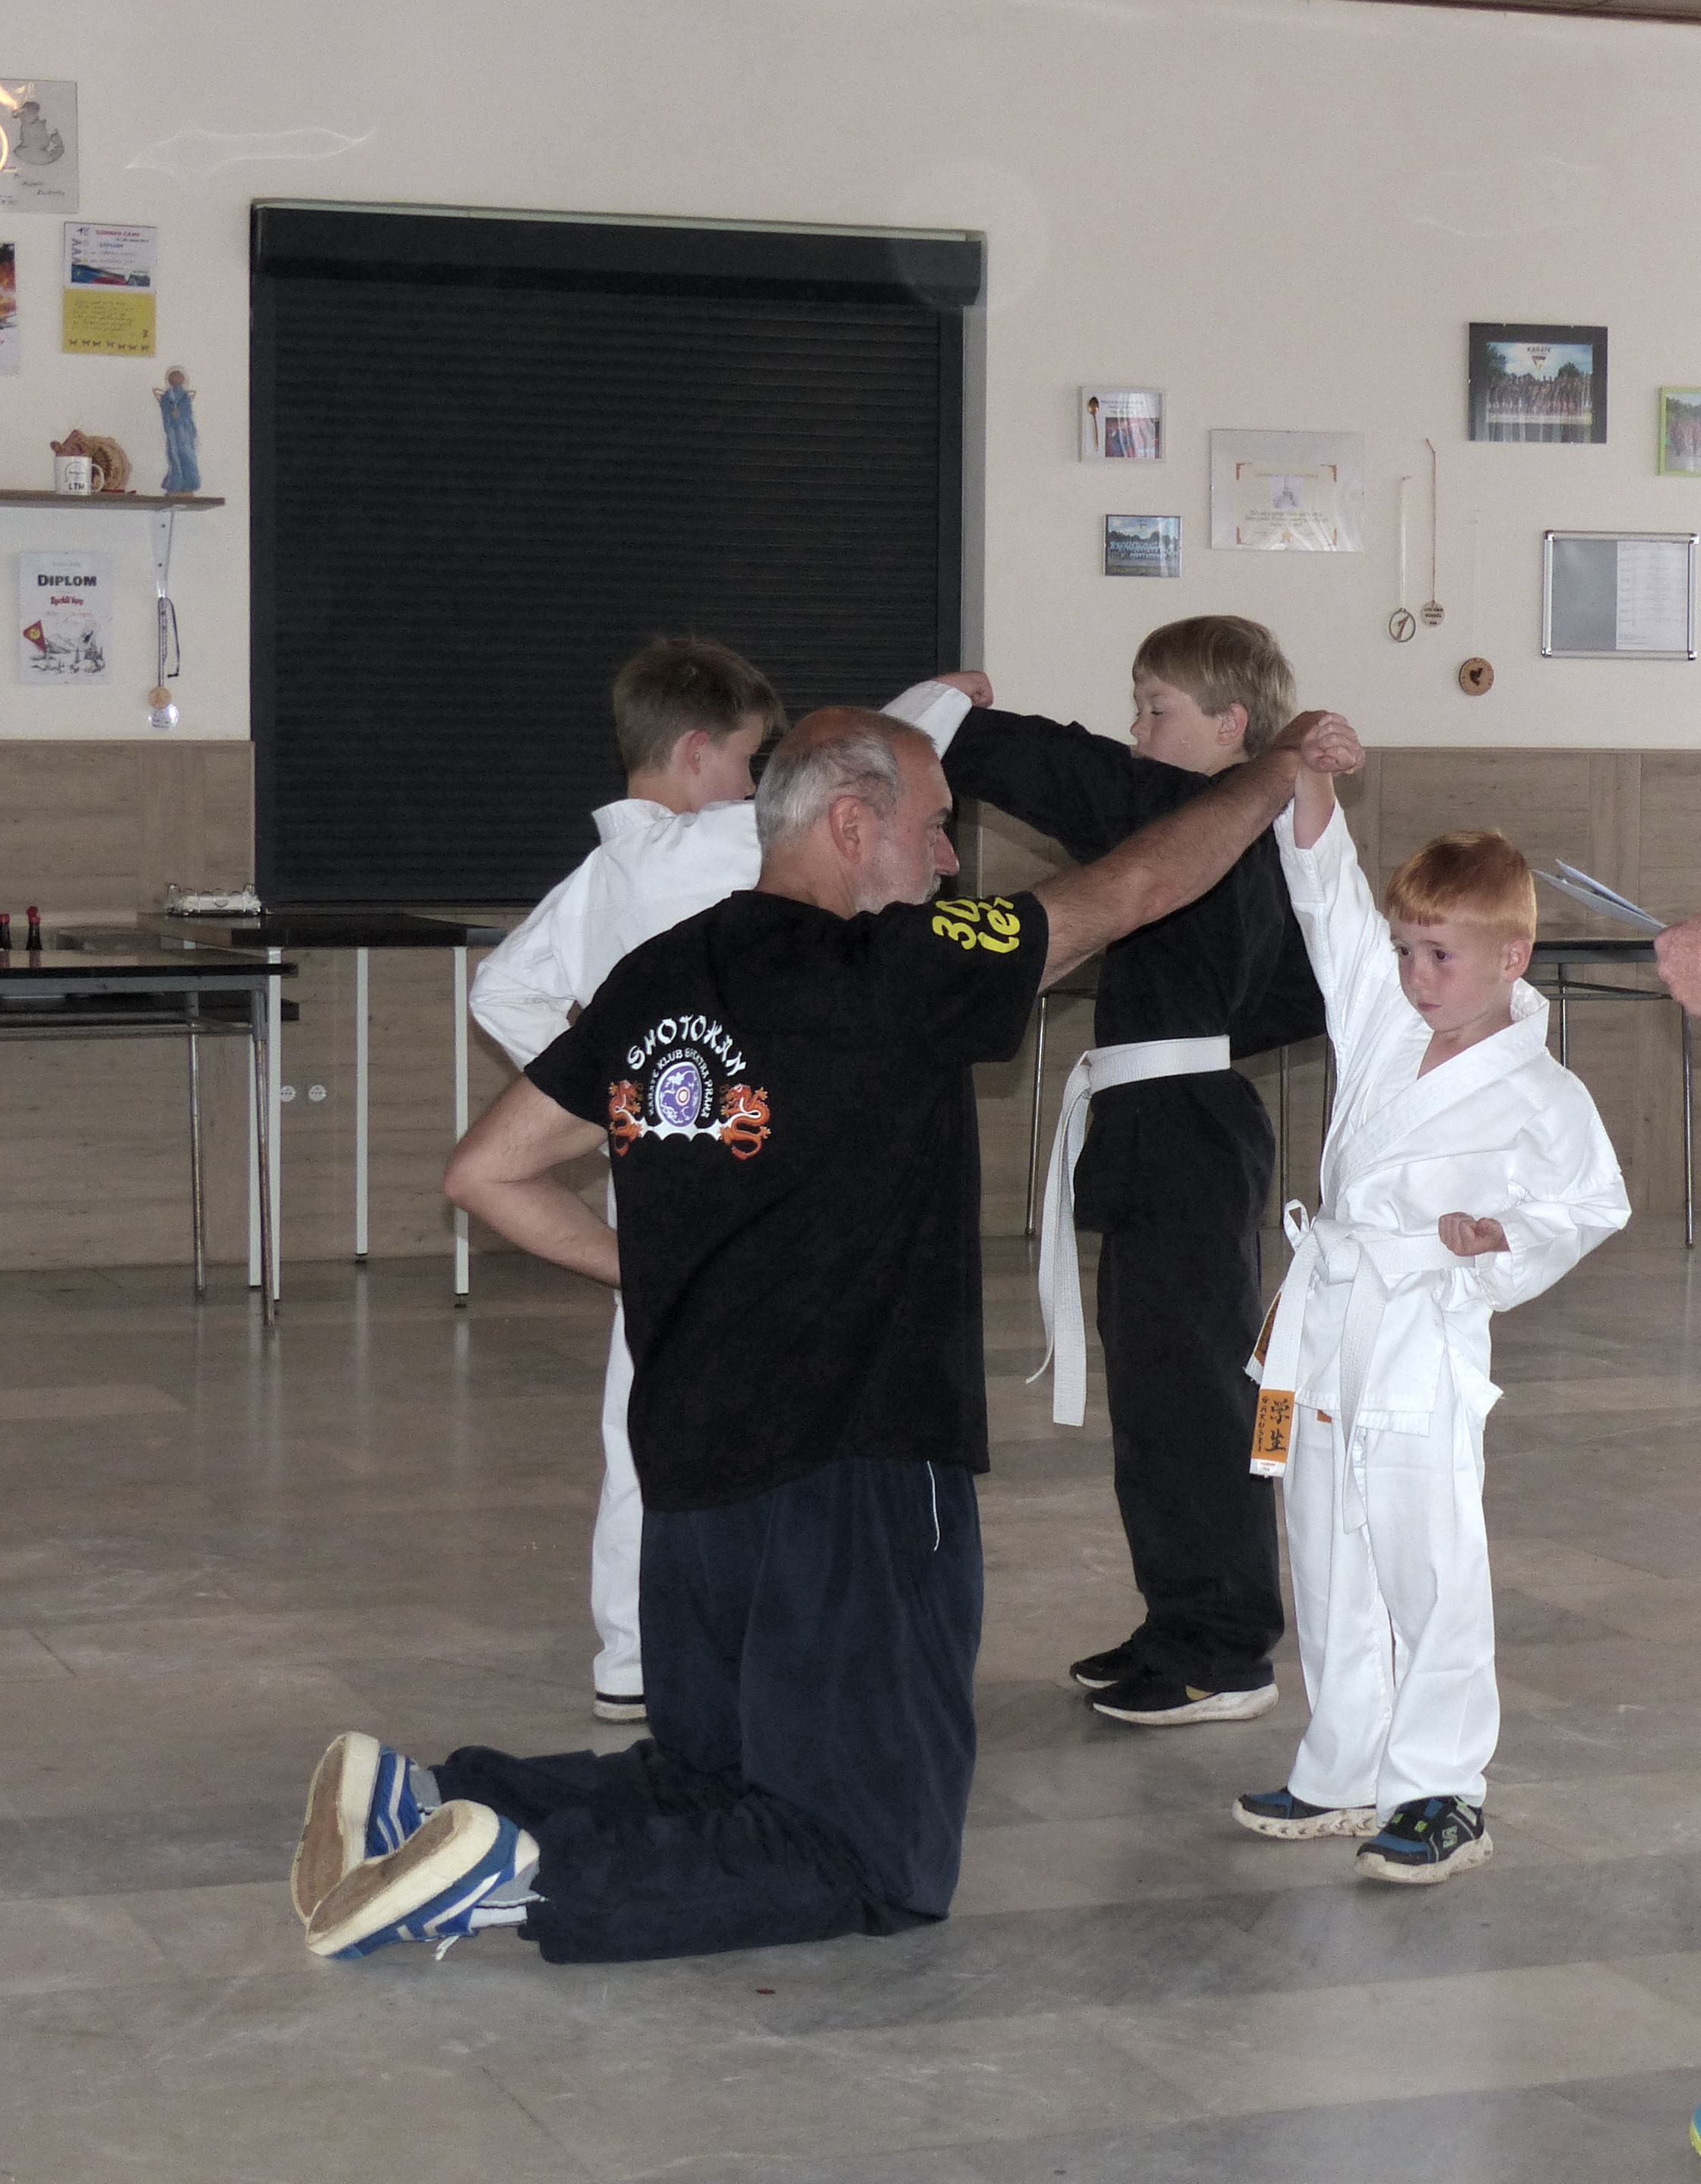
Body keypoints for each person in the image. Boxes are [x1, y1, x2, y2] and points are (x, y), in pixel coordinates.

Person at [290, 700, 1363, 1967]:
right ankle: (517, 1878)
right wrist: (1270, 773)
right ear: (852, 825)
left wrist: (671, 1275)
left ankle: (434, 1800)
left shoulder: (664, 971)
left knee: (713, 1778)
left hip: (693, 1474)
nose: (950, 860)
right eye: (935, 827)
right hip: (857, 1467)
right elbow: (1131, 890)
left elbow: (486, 1170)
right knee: (871, 1856)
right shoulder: (900, 965)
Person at [467, 638, 968, 1722]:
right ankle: (716, 1637)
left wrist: (610, 1099)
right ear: (697, 754)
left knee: (640, 1413)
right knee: (744, 1414)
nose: (755, 786)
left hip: (660, 1174)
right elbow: (854, 778)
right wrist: (940, 698)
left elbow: (501, 989)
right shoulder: (704, 843)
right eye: (748, 761)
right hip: (744, 1172)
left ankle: (630, 1652)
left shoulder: (602, 873)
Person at [901, 618, 1326, 1730]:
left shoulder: (1185, 814)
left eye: (1156, 710)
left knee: (1191, 1395)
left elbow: (1059, 767)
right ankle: (1181, 1620)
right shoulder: (1240, 838)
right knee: (1156, 1390)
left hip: (1180, 1127)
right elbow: (1296, 994)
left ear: (1231, 727)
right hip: (1176, 1120)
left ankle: (1222, 1648)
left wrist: (943, 716)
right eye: (1135, 710)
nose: (1136, 733)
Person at [1233, 733, 1629, 1884]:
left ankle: (1443, 1788)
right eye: (1408, 950)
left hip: (1421, 1328)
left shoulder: (1542, 1092)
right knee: (1326, 1548)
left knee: (1427, 1561)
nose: (1415, 975)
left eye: (1440, 956)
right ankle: (1344, 1763)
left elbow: (1589, 1204)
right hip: (1331, 1319)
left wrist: (1500, 1237)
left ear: (1511, 957)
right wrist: (1311, 780)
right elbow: (1330, 905)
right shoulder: (1382, 1023)